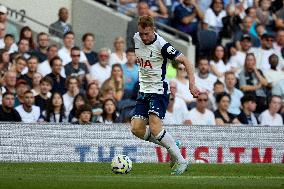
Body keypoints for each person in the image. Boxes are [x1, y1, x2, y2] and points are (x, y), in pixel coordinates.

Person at [130, 16, 200, 175]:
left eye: (147, 34)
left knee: (155, 127)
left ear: (153, 30)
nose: (144, 37)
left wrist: (192, 84)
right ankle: (172, 145)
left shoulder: (163, 46)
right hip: (144, 91)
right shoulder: (136, 38)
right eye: (141, 33)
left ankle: (181, 161)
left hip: (159, 91)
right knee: (136, 129)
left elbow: (187, 62)